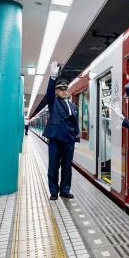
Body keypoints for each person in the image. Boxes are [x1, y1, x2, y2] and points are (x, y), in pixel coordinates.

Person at [43, 62, 80, 200]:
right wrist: (53, 77)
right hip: (55, 139)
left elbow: (75, 122)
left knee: (67, 167)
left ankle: (65, 190)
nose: (64, 91)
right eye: (61, 89)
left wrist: (76, 137)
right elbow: (48, 94)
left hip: (69, 140)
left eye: (65, 89)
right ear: (57, 92)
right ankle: (54, 191)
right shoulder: (53, 102)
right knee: (53, 166)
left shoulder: (73, 106)